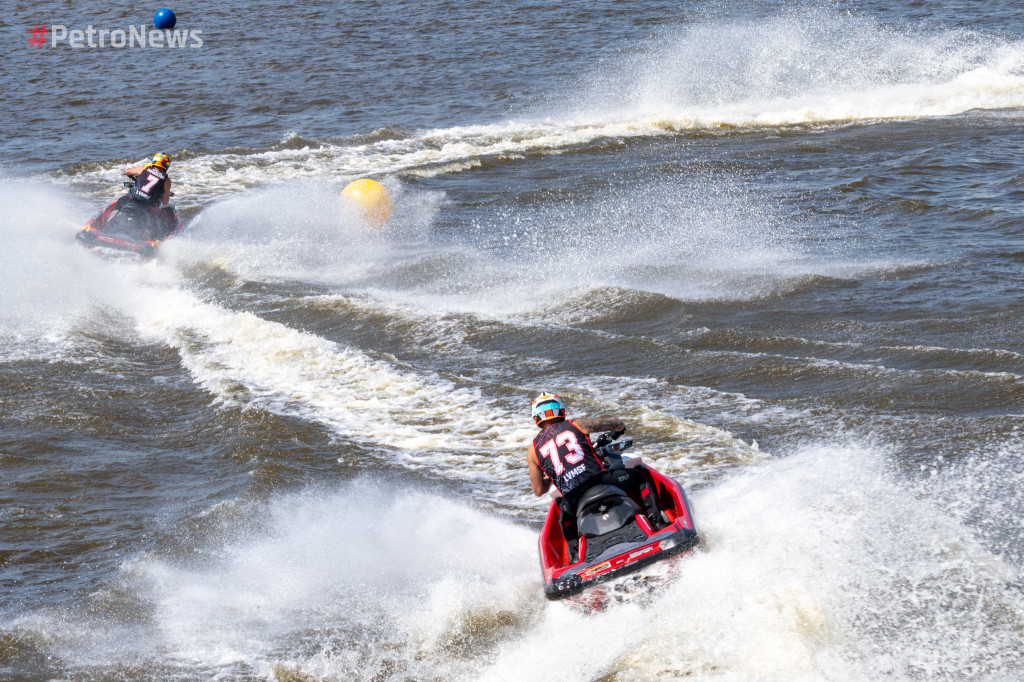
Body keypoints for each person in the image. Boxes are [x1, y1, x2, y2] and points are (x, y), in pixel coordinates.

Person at [526, 393, 629, 559]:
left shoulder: (532, 450)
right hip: (599, 480)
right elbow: (615, 423)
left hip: (573, 497)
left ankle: (575, 556)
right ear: (560, 409)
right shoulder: (578, 424)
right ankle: (656, 520)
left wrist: (552, 473)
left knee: (565, 517)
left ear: (536, 417)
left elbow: (539, 490)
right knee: (638, 477)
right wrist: (620, 426)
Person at [115, 153, 175, 238]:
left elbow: (127, 171)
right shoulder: (166, 180)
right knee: (157, 217)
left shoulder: (144, 169)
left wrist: (134, 175)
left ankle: (107, 222)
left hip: (131, 200)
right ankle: (150, 239)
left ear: (154, 161)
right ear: (166, 165)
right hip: (146, 207)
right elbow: (165, 202)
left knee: (119, 202)